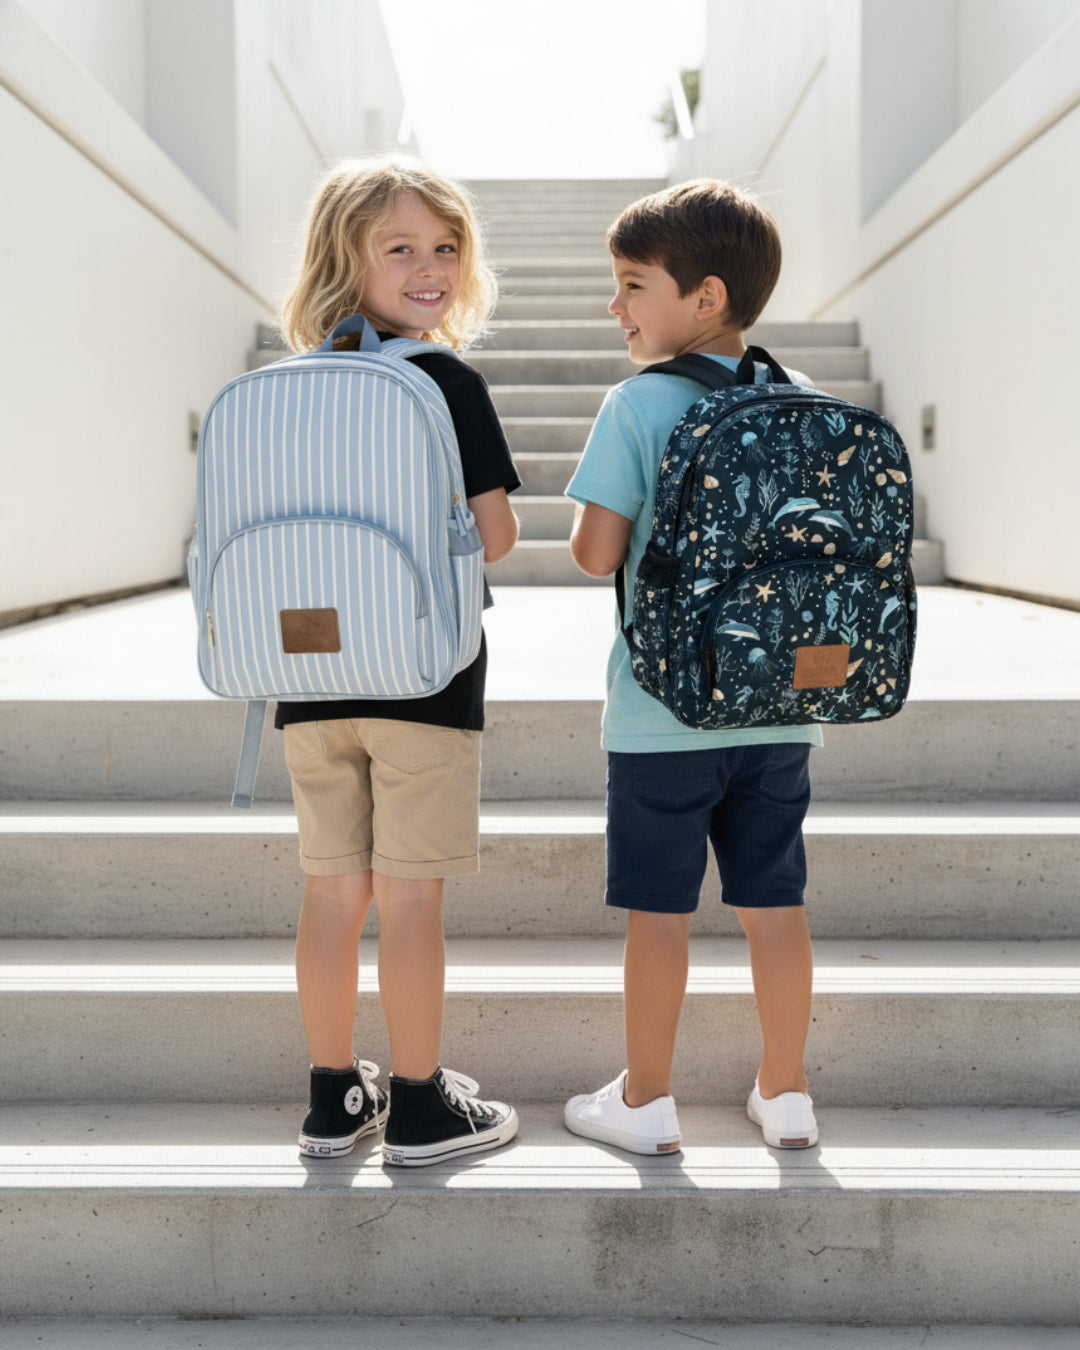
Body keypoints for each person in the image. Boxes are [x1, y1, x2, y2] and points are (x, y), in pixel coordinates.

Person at [563, 180, 822, 1155]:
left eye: (632, 285)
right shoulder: (799, 402)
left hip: (661, 718)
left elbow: (595, 554)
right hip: (780, 709)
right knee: (776, 904)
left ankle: (646, 1101)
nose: (616, 307)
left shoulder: (635, 406)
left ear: (704, 296)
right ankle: (786, 1093)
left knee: (658, 914)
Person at [277, 157, 521, 1166]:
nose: (431, 266)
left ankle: (334, 1100)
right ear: (351, 259)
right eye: (403, 248)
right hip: (425, 680)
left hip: (307, 677)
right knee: (411, 895)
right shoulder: (443, 380)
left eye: (446, 247)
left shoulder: (287, 387)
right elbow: (495, 535)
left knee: (334, 893)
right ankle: (420, 1106)